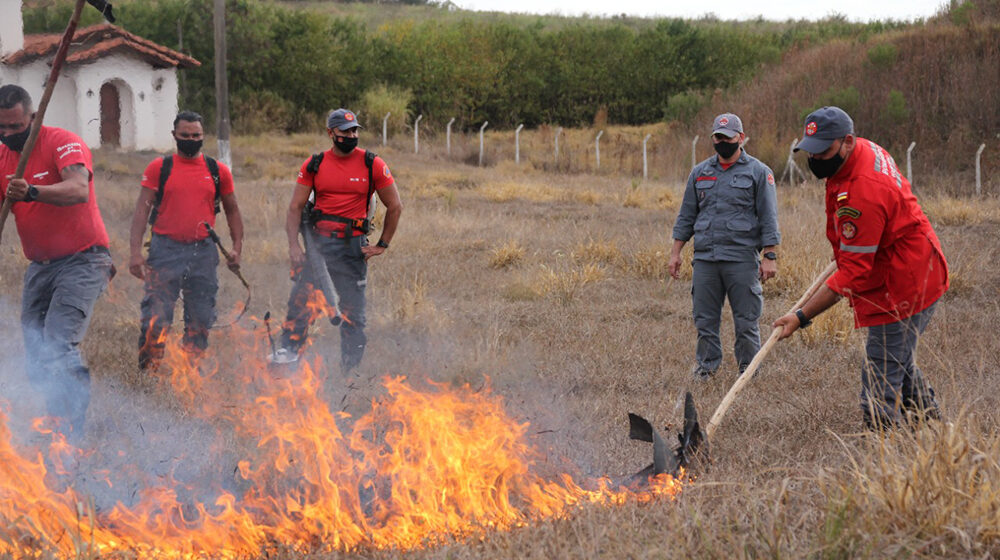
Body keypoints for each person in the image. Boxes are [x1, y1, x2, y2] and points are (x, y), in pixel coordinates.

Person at [773, 106, 948, 430]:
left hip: (905, 283)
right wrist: (846, 249)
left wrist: (800, 316)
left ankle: (883, 457)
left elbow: (854, 274)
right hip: (913, 264)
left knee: (881, 376)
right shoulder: (862, 152)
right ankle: (934, 426)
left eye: (824, 151)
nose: (816, 160)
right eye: (811, 151)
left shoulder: (863, 190)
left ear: (848, 141)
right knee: (899, 358)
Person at [0, 84, 113, 444]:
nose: (9, 135)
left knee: (58, 343)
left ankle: (72, 434)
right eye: (1, 128)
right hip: (40, 266)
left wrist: (32, 191)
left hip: (84, 259)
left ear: (33, 117)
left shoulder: (62, 141)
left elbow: (78, 189)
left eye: (16, 127)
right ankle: (56, 417)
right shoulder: (1, 157)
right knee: (36, 354)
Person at [272, 108, 402, 371]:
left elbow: (395, 205)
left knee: (354, 315)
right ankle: (287, 358)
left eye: (354, 130)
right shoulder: (315, 164)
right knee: (301, 304)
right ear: (331, 133)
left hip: (354, 248)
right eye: (345, 131)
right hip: (318, 247)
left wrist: (382, 245)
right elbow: (295, 207)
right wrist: (294, 246)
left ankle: (350, 373)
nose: (351, 135)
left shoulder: (372, 163)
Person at [128, 111, 243, 370]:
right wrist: (135, 253)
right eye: (185, 136)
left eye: (196, 136)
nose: (190, 140)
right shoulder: (159, 168)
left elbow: (233, 210)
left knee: (200, 319)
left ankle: (190, 375)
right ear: (174, 136)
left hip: (203, 252)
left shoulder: (217, 171)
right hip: (164, 250)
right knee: (156, 318)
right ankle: (148, 374)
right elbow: (141, 211)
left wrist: (236, 249)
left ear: (203, 136)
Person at [669, 113, 781, 379]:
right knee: (705, 321)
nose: (721, 142)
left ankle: (748, 371)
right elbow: (686, 215)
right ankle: (706, 369)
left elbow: (768, 216)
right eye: (717, 138)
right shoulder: (700, 173)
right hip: (706, 259)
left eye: (727, 138)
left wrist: (770, 256)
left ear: (740, 138)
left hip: (741, 258)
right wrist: (676, 253)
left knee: (746, 321)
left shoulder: (758, 172)